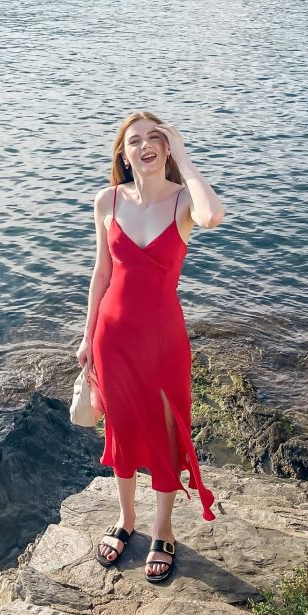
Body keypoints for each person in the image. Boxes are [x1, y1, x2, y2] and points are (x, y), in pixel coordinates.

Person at [78, 112, 225, 583]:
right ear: (123, 154)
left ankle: (163, 530)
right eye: (134, 140)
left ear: (164, 147)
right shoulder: (108, 200)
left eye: (154, 138)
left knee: (164, 435)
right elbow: (102, 274)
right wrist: (86, 337)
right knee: (119, 431)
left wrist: (184, 154)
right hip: (112, 338)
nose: (145, 145)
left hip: (163, 341)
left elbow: (214, 216)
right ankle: (126, 520)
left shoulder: (184, 202)